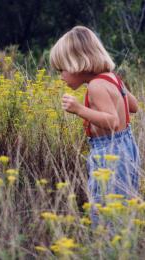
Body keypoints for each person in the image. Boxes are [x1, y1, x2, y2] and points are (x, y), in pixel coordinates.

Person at [49, 25, 140, 224]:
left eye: (62, 69)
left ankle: (107, 251)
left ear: (78, 63)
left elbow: (112, 123)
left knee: (105, 212)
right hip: (127, 148)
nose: (61, 76)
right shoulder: (112, 78)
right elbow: (133, 107)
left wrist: (79, 109)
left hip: (109, 152)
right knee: (122, 207)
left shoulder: (96, 86)